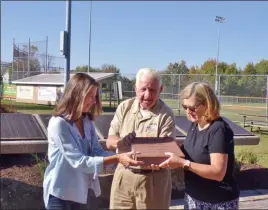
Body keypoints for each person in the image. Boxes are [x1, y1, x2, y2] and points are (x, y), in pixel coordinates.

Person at [43, 73, 144, 210]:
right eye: (90, 95)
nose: (94, 101)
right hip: (59, 195)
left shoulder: (87, 122)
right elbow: (79, 161)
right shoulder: (58, 124)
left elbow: (96, 152)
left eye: (95, 96)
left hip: (81, 192)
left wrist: (125, 156)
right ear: (76, 94)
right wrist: (118, 159)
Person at [159, 82, 240, 209]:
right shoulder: (195, 124)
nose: (188, 111)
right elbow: (193, 152)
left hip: (217, 202)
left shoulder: (218, 130)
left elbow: (218, 172)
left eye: (193, 107)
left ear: (207, 104)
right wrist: (173, 149)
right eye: (185, 107)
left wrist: (183, 163)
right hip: (193, 197)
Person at [106, 68, 176, 209]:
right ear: (135, 88)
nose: (147, 95)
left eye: (153, 90)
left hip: (153, 181)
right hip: (123, 178)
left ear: (160, 90)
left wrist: (158, 158)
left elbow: (164, 152)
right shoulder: (124, 108)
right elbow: (110, 141)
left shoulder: (166, 115)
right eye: (143, 89)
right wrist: (120, 142)